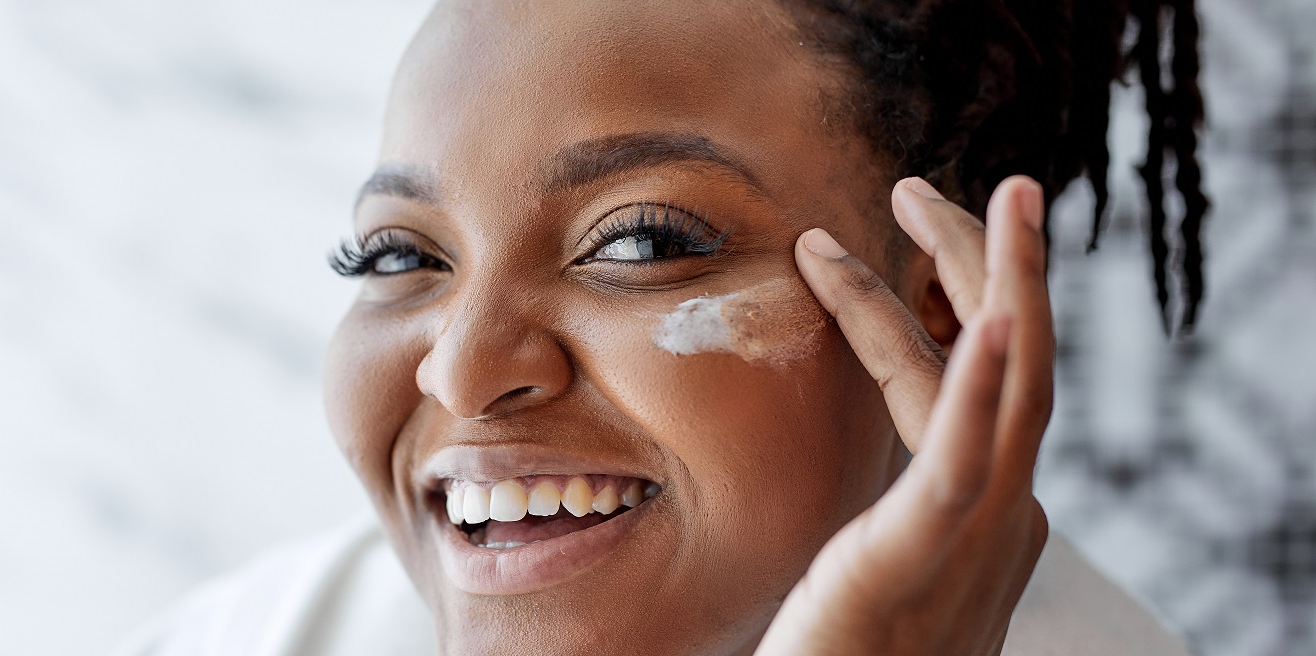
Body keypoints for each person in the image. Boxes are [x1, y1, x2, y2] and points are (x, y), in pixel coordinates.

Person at [117, 0, 1207, 653]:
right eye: (400, 255)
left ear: (938, 299)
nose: (461, 367)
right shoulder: (264, 631)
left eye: (637, 242)